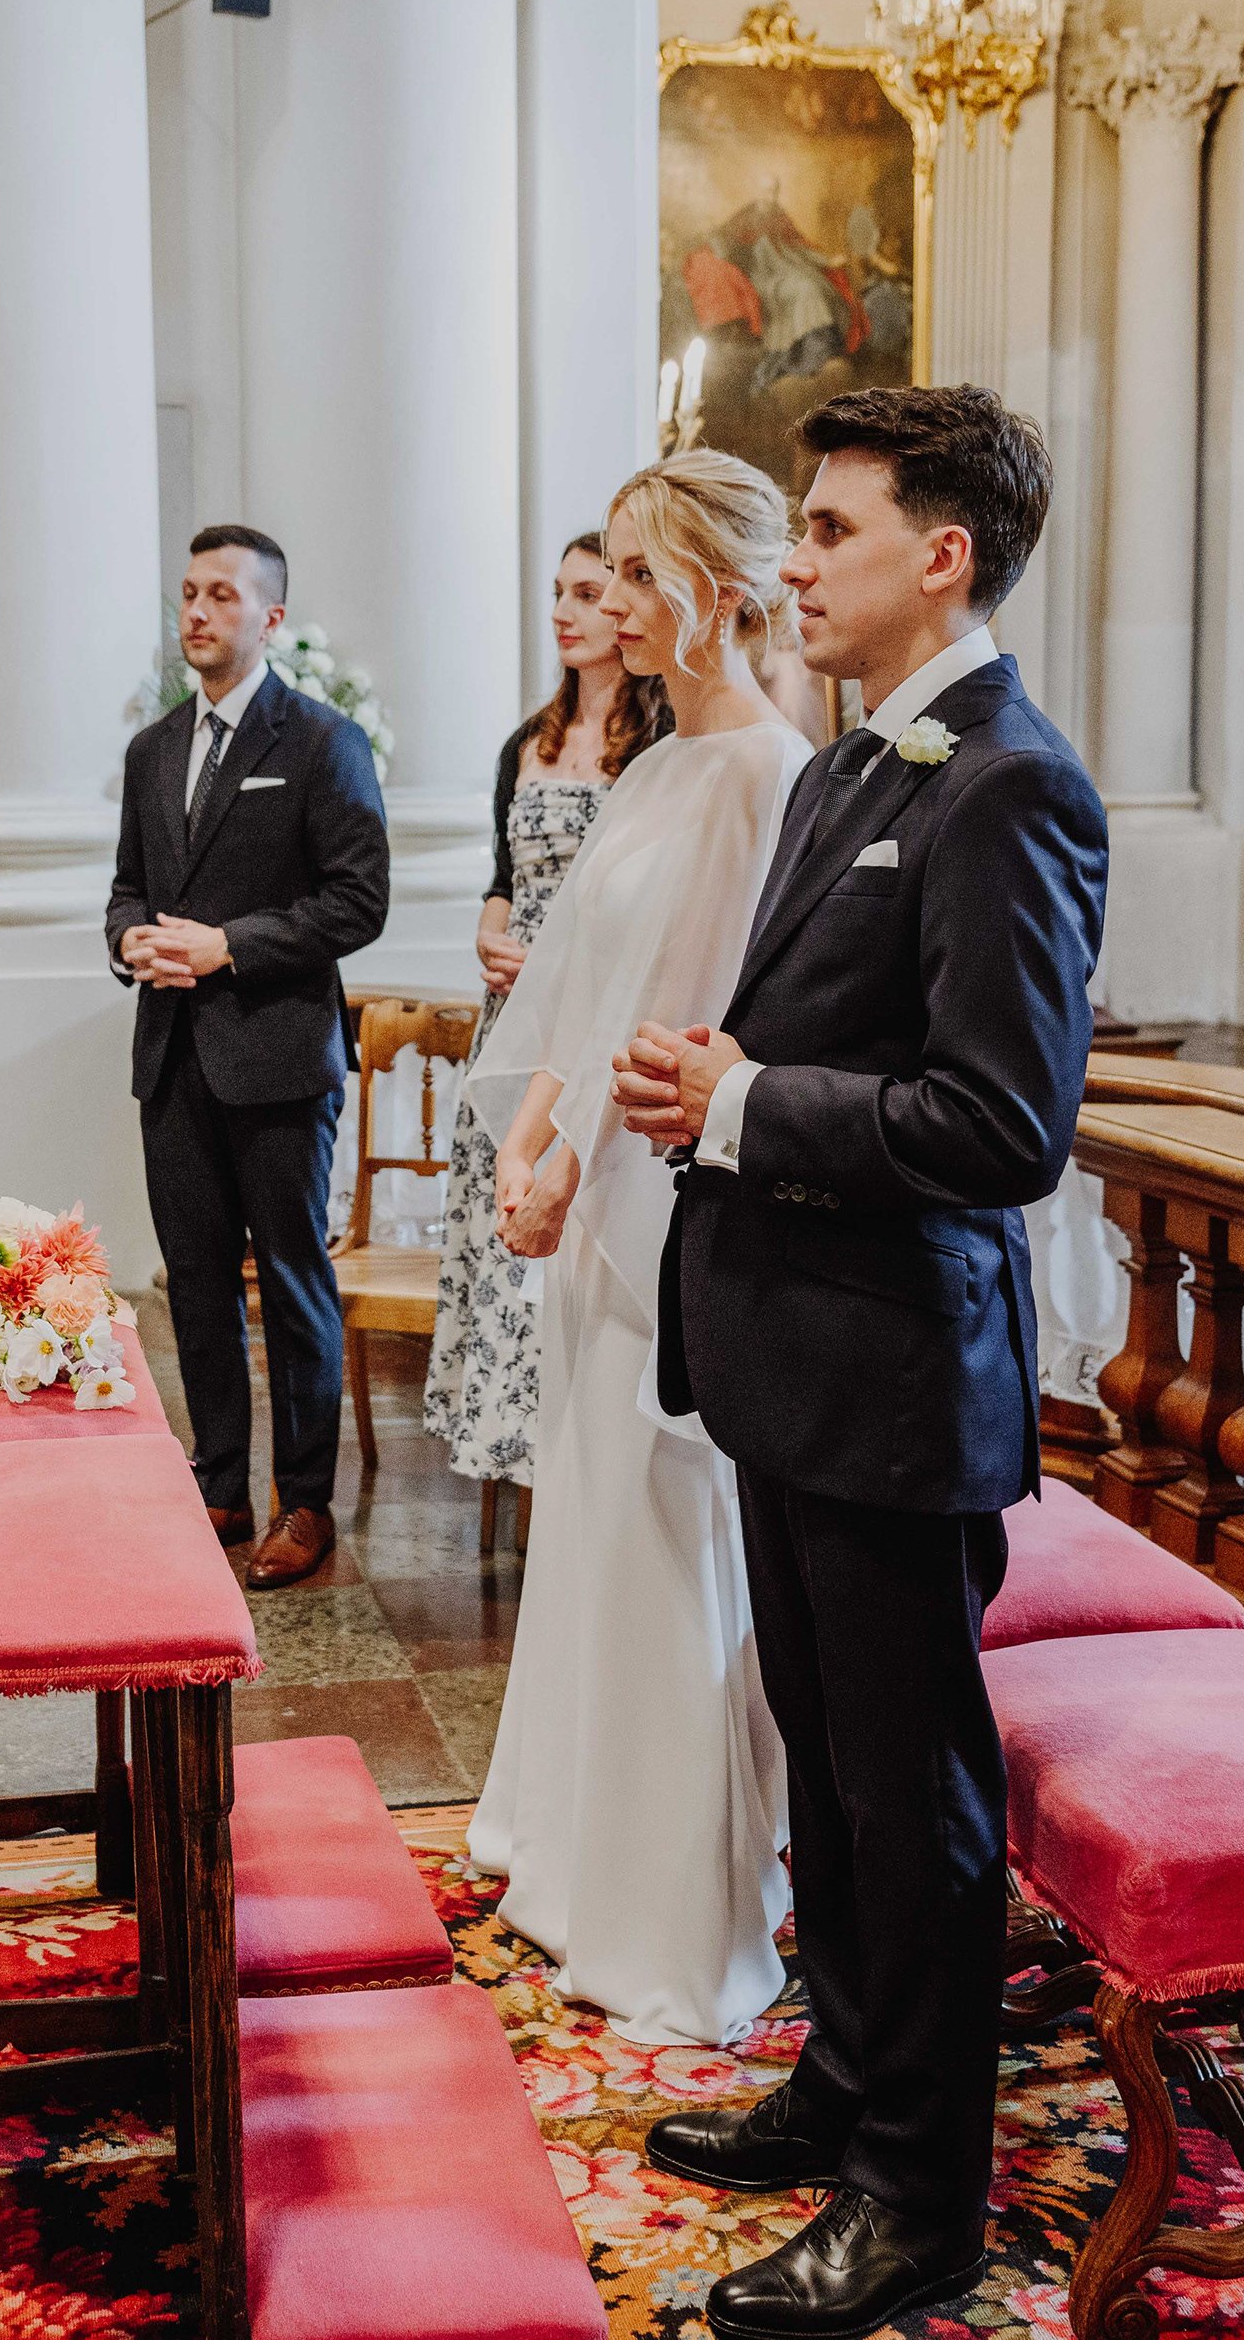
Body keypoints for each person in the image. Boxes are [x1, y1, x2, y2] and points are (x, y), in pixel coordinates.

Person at [616, 386, 1106, 2340]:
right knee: (824, 1758)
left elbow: (1003, 1124)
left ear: (943, 556)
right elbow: (829, 1042)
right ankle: (844, 2079)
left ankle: (920, 2197)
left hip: (900, 1377)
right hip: (793, 1358)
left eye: (830, 529)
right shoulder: (844, 767)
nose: (797, 562)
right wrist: (722, 1079)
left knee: (914, 1800)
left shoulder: (1011, 788)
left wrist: (742, 1106)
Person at [458, 454, 815, 2048]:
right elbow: (576, 985)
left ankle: (673, 1913)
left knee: (669, 1531)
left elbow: (687, 1016)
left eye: (638, 574)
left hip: (666, 1198)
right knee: (591, 1519)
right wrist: (526, 1140)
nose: (610, 599)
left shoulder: (765, 777)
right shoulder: (658, 765)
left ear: (717, 597)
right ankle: (568, 1848)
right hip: (585, 1184)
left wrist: (575, 1162)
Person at [105, 527, 392, 1589]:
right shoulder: (152, 750)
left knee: (291, 1279)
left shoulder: (322, 742)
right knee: (193, 1281)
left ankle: (304, 1501)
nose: (196, 610)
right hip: (172, 1057)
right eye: (188, 592)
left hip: (277, 1058)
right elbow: (129, 889)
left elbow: (358, 901)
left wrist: (228, 945)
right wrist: (130, 941)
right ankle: (219, 1481)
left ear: (270, 617)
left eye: (221, 594)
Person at [420, 533, 669, 1502]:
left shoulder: (657, 746)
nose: (565, 611)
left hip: (590, 1015)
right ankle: (507, 1453)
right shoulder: (526, 742)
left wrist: (563, 963)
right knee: (500, 1220)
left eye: (589, 592)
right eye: (559, 592)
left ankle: (572, 1466)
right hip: (510, 1020)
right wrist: (491, 933)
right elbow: (503, 877)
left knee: (571, 1227)